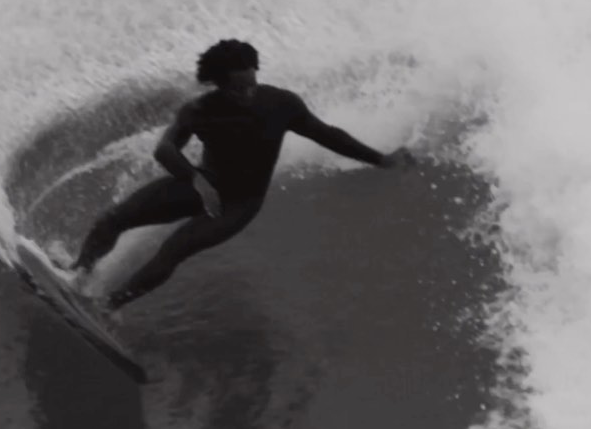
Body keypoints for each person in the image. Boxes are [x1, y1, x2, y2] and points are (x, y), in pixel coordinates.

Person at [71, 39, 415, 308]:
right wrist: (197, 181)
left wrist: (381, 159)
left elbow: (328, 135)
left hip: (238, 203)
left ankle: (108, 306)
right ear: (218, 85)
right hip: (203, 184)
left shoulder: (281, 105)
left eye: (252, 84)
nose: (248, 94)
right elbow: (165, 149)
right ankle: (77, 278)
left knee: (175, 248)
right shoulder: (200, 111)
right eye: (238, 89)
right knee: (114, 219)